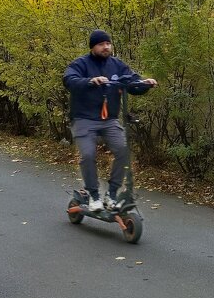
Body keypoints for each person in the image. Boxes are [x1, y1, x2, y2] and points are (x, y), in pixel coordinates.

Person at [63, 30, 157, 211]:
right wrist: (90, 81)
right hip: (84, 119)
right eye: (101, 44)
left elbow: (132, 82)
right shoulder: (80, 64)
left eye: (108, 43)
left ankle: (111, 194)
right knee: (88, 154)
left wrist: (145, 84)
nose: (106, 47)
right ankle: (93, 195)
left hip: (109, 120)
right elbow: (69, 80)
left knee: (123, 151)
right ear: (93, 47)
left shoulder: (117, 65)